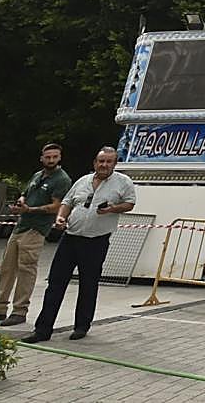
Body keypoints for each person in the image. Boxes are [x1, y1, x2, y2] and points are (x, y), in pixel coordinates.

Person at [21, 147, 135, 343]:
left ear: (115, 164)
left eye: (109, 162)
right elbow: (67, 202)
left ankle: (82, 326)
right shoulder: (83, 181)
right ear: (94, 163)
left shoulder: (123, 182)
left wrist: (112, 209)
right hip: (71, 237)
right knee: (55, 283)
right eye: (101, 161)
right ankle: (42, 330)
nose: (104, 165)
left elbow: (130, 203)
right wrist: (60, 218)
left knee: (88, 284)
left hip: (96, 240)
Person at [0, 144, 72, 327]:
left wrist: (30, 209)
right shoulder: (37, 175)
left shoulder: (62, 179)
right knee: (7, 268)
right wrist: (21, 203)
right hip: (20, 226)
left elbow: (57, 206)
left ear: (59, 158)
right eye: (48, 157)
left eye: (54, 157)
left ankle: (19, 310)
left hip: (36, 228)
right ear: (41, 158)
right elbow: (25, 194)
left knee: (26, 270)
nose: (51, 160)